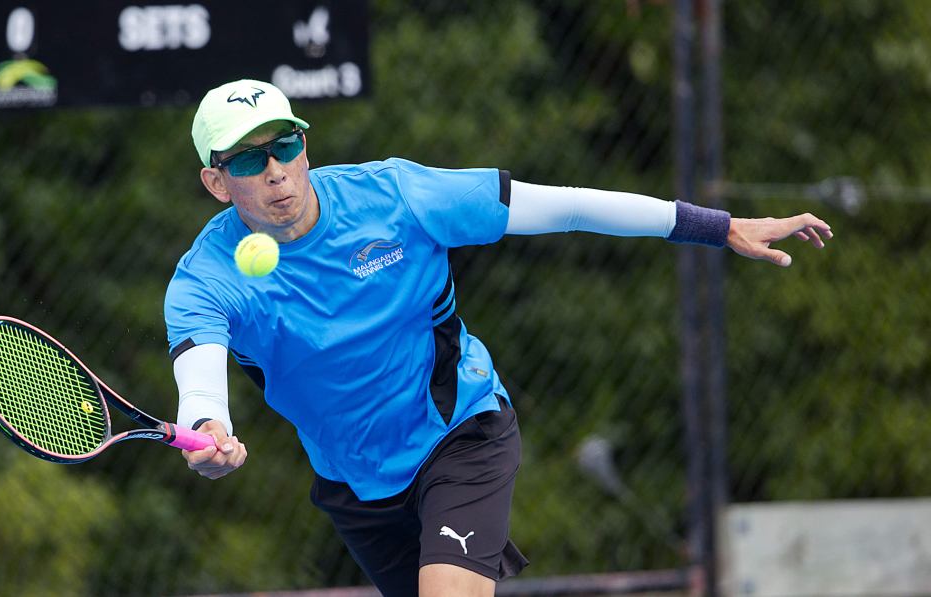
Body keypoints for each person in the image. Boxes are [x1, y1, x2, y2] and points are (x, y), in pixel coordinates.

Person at [165, 79, 832, 597]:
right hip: (356, 484)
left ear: (305, 148)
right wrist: (208, 431)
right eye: (249, 158)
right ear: (216, 182)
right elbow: (201, 380)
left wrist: (717, 226)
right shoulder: (205, 280)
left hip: (460, 432)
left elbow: (568, 205)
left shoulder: (397, 196)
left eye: (285, 146)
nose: (275, 170)